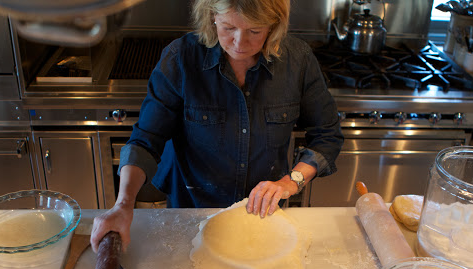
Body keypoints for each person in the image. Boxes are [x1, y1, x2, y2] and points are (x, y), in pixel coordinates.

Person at [90, 0, 344, 252]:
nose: (239, 42)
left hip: (262, 215)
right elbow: (145, 140)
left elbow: (327, 135)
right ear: (212, 16)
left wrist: (291, 181)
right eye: (228, 27)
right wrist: (123, 205)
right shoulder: (181, 58)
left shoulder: (297, 60)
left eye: (255, 31)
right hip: (191, 213)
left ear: (274, 25)